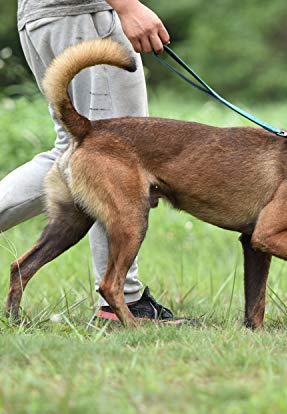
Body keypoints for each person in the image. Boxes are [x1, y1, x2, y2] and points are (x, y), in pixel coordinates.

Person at [1, 0, 182, 323]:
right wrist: (127, 6)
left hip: (47, 16)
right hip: (81, 14)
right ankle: (123, 303)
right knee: (114, 158)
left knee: (75, 151)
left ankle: (123, 301)